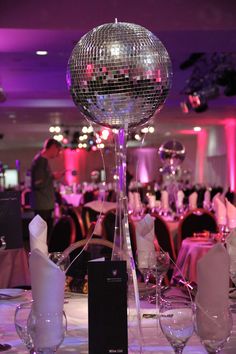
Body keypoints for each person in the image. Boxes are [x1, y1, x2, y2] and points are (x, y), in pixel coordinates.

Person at [30, 138, 63, 243]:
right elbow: (38, 183)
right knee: (42, 237)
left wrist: (52, 176)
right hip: (42, 205)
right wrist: (52, 176)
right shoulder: (40, 161)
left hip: (45, 204)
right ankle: (42, 257)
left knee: (44, 236)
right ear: (53, 147)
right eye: (58, 150)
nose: (57, 154)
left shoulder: (42, 161)